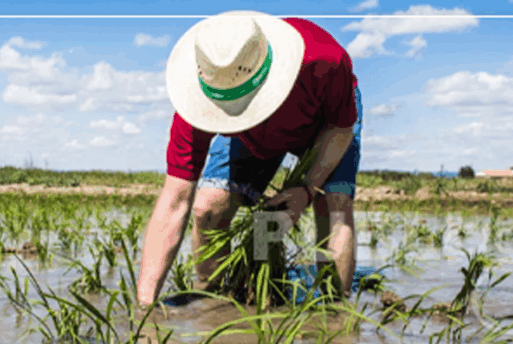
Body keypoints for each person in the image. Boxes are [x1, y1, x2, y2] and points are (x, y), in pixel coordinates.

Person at [136, 11, 363, 307]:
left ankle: (336, 312)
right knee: (208, 206)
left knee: (333, 206)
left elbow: (341, 128)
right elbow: (175, 201)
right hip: (252, 139)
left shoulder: (324, 60)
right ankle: (213, 297)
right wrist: (144, 308)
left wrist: (307, 189)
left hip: (325, 126)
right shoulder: (197, 100)